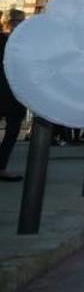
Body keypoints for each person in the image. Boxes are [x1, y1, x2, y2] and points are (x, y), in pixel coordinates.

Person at [0, 23, 27, 181]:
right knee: (12, 130)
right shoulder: (14, 44)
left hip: (12, 92)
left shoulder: (10, 41)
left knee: (12, 130)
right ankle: (1, 167)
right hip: (12, 92)